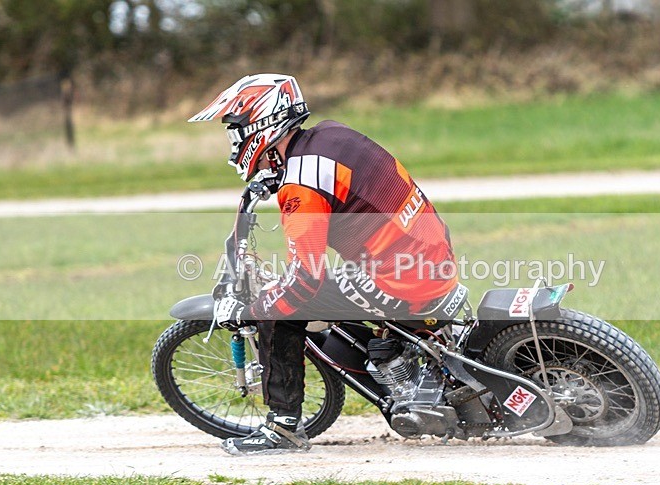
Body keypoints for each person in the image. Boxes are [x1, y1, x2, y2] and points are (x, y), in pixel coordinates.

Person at [189, 74, 459, 454]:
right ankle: (395, 354)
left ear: (262, 123)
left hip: (406, 280)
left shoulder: (301, 189)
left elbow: (303, 282)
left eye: (237, 128)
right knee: (317, 292)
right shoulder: (332, 134)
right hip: (430, 253)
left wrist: (254, 308)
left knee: (278, 309)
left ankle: (282, 428)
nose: (234, 140)